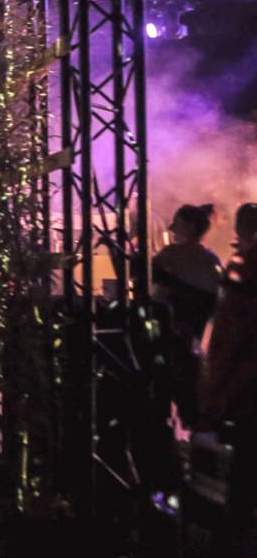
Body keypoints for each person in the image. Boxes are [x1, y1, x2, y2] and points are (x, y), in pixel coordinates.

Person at [202, 203, 257, 556]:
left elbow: (227, 336)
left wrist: (214, 392)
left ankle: (234, 543)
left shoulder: (244, 267)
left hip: (248, 386)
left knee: (245, 472)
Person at [151, 204, 223, 428]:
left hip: (167, 344)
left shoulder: (170, 256)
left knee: (159, 405)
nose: (172, 228)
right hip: (195, 345)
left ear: (190, 227)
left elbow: (155, 296)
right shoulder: (213, 261)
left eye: (177, 223)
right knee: (192, 408)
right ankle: (198, 452)